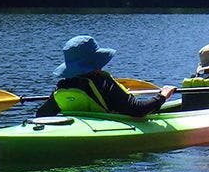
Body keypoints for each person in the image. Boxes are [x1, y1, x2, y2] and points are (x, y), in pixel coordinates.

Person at [35, 35, 176, 117]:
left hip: (81, 127)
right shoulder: (103, 82)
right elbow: (138, 110)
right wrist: (162, 96)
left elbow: (41, 115)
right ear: (96, 61)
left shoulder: (64, 84)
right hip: (111, 126)